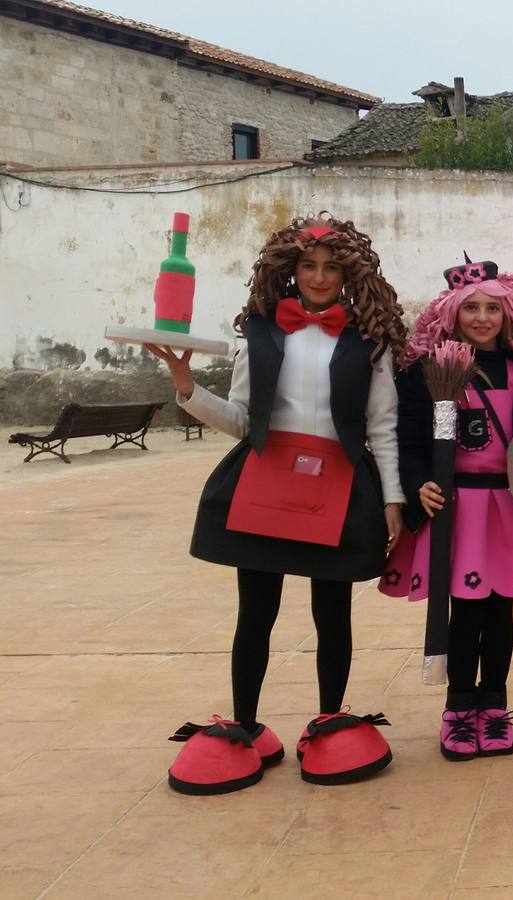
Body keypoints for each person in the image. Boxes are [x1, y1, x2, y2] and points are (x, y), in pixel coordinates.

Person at [149, 215, 406, 793]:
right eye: (309, 266)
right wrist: (187, 387)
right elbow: (241, 420)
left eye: (331, 267)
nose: (318, 278)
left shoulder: (370, 342)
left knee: (332, 611)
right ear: (289, 270)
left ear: (348, 273)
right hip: (266, 479)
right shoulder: (262, 332)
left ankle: (331, 718)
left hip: (340, 484)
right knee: (255, 613)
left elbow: (382, 427)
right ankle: (243, 724)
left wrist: (392, 499)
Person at [383, 256, 513, 760]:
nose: (483, 317)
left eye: (493, 307)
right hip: (456, 507)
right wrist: (417, 482)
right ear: (451, 312)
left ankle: (494, 706)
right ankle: (458, 709)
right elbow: (408, 439)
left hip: (509, 506)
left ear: (508, 314)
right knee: (464, 612)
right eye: (472, 308)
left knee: (500, 609)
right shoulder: (428, 371)